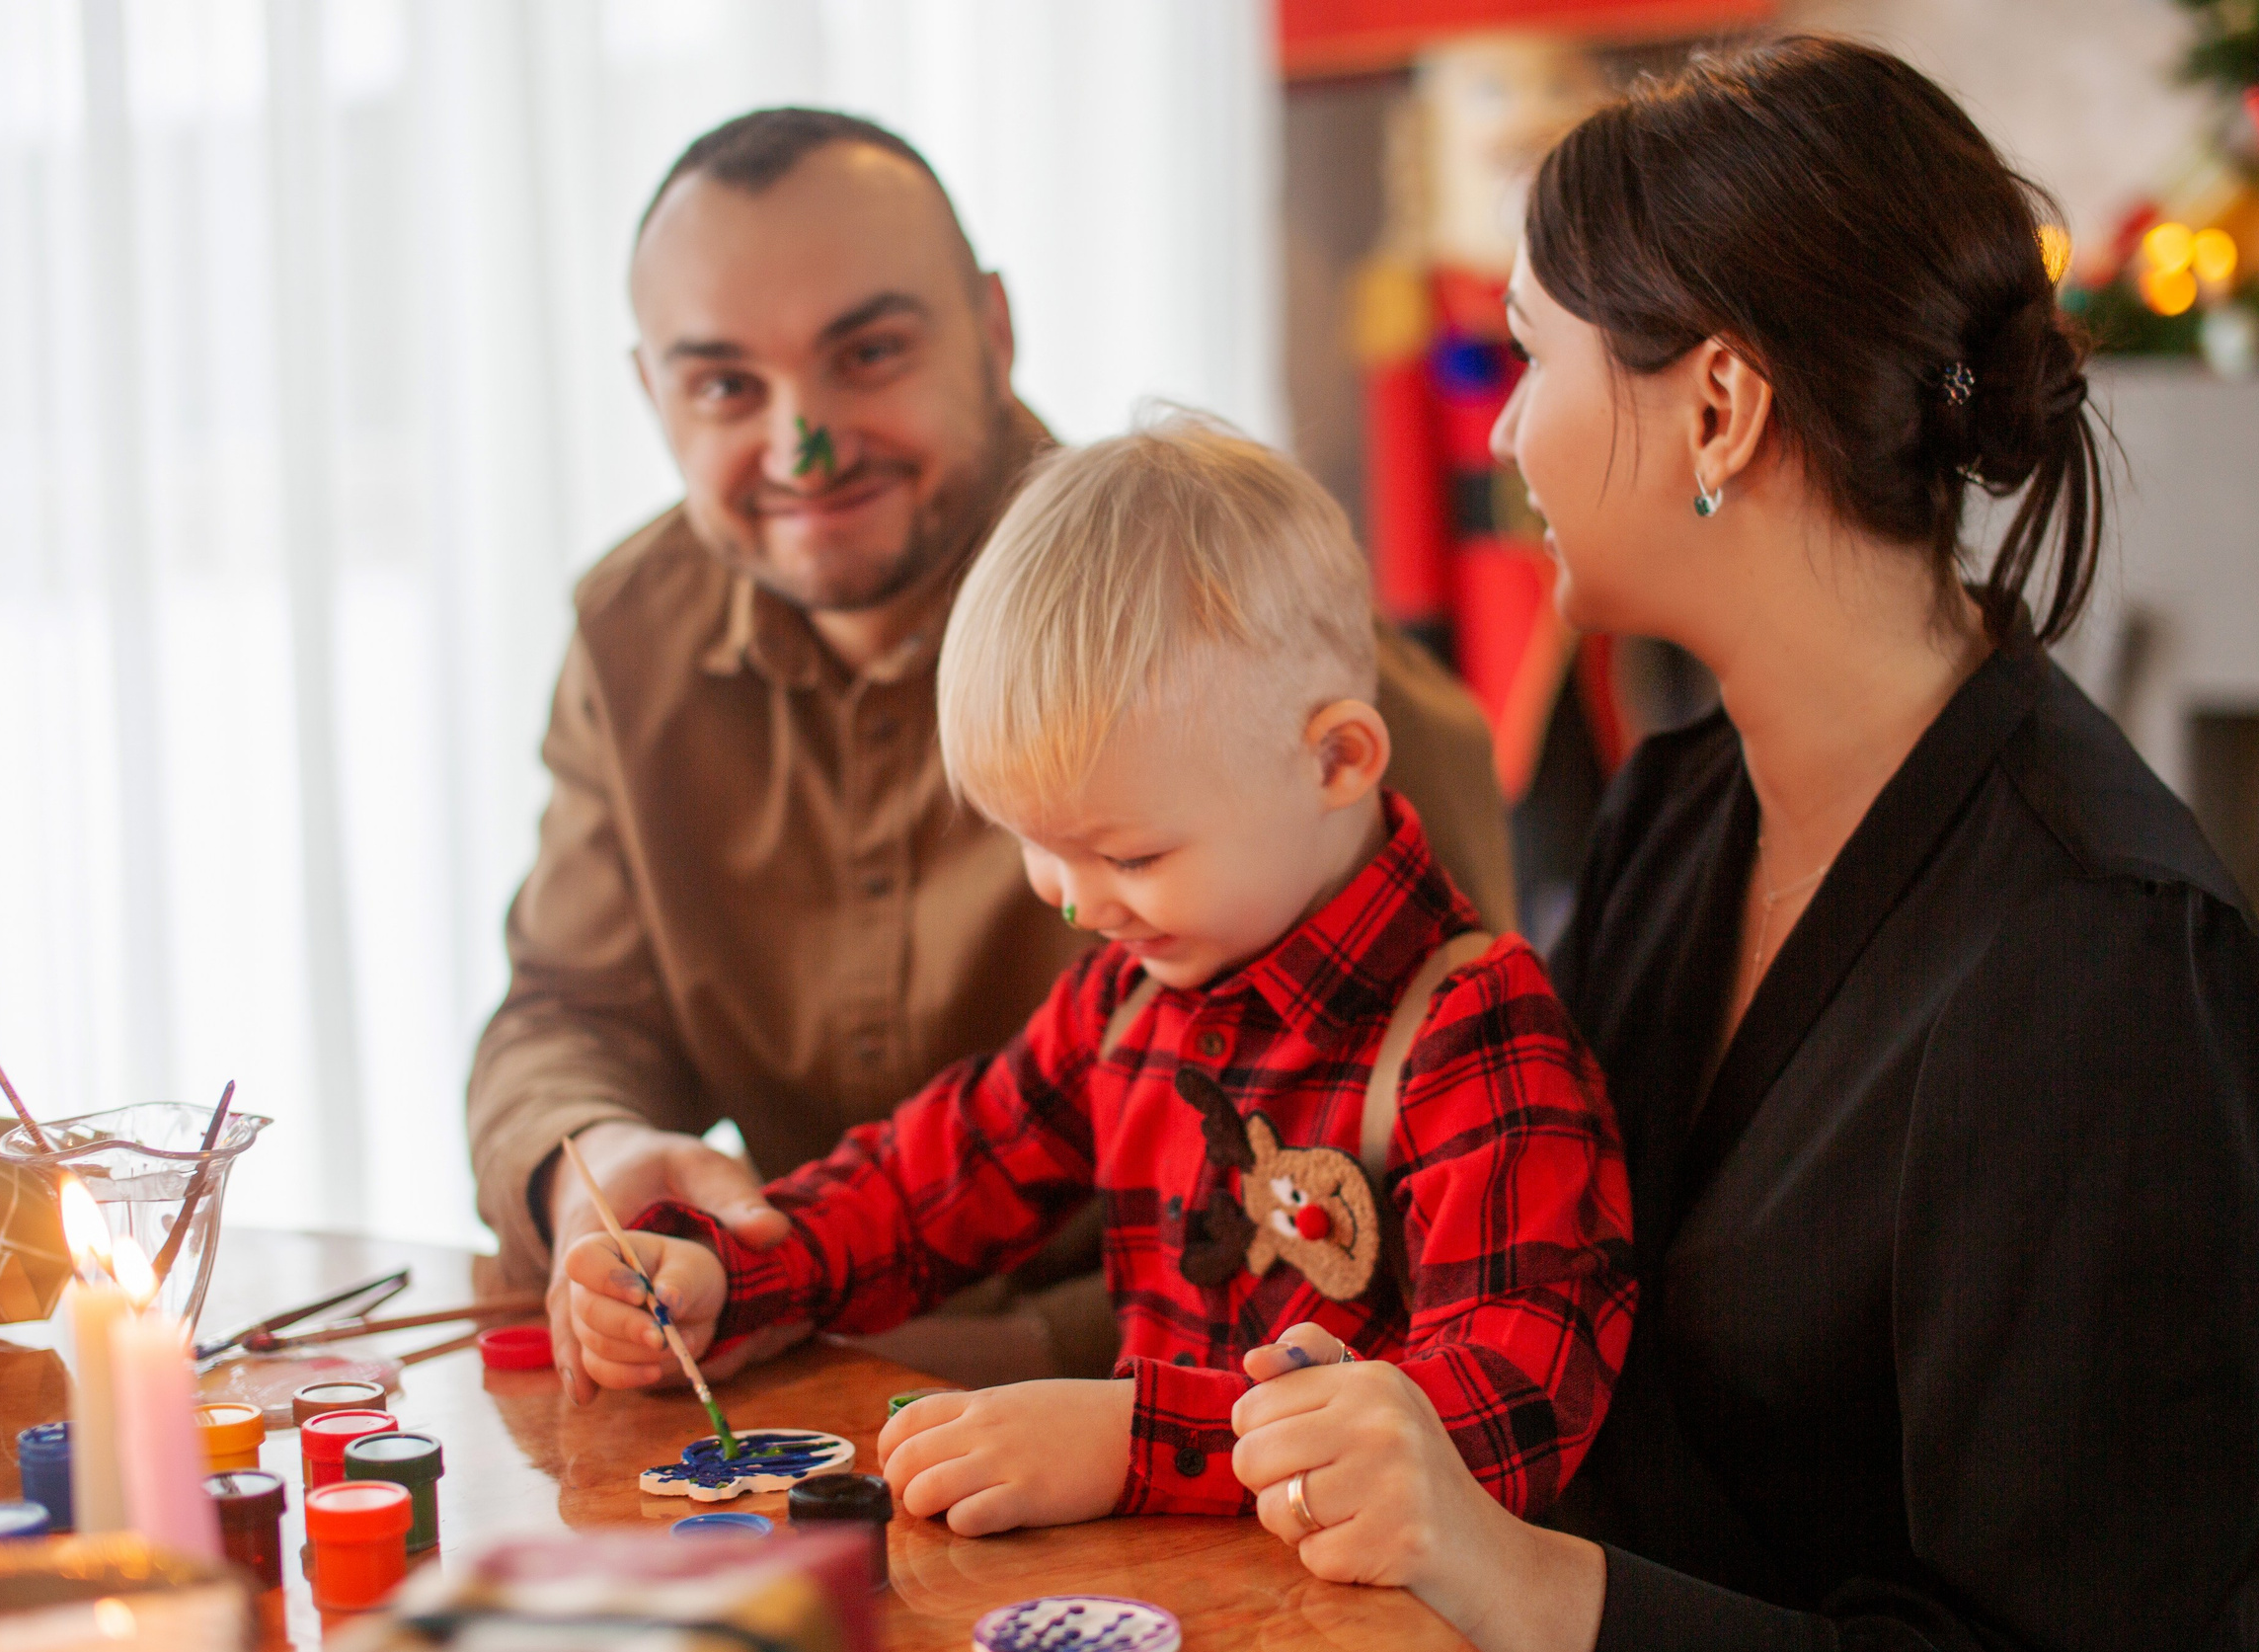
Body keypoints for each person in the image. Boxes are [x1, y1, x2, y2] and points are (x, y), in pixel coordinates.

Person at [1225, 37, 2259, 1652]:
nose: (1508, 433)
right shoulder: (1681, 812)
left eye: (1534, 360)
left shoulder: (2111, 966)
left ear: (1720, 407)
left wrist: (1522, 1582)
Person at [463, 109, 1516, 1399]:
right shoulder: (625, 638)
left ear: (994, 330)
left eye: (870, 351)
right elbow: (574, 1012)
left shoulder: (1244, 641)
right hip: (818, 1374)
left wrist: (1046, 1382)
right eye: (727, 384)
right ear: (652, 394)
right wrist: (598, 1173)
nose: (805, 442)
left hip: (1193, 1415)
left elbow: (1425, 1246)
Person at [558, 420, 1634, 1537]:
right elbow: (922, 1192)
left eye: (1128, 856)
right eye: (1035, 846)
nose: (1072, 903)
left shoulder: (1471, 1033)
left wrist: (1135, 1443)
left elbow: (1513, 1414)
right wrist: (724, 1275)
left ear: (1335, 760)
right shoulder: (1127, 998)